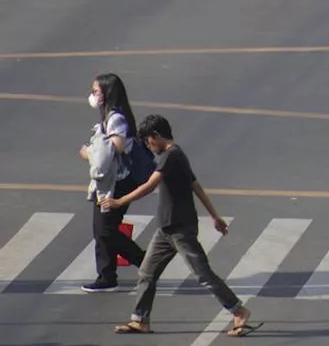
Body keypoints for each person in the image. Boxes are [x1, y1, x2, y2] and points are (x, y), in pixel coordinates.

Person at [101, 114, 259, 337]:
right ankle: (140, 320)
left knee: (202, 274)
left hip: (180, 229)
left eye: (148, 140)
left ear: (156, 136)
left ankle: (239, 310)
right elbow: (195, 185)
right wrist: (215, 216)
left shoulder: (171, 156)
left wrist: (119, 201)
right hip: (165, 230)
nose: (148, 145)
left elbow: (149, 185)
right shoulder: (177, 155)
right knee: (147, 272)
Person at [76, 73, 145, 293]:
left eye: (96, 91)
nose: (93, 95)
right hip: (111, 182)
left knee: (105, 230)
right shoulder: (109, 117)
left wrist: (90, 153)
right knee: (103, 229)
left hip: (119, 182)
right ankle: (107, 276)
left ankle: (147, 263)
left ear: (107, 93)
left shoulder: (116, 118)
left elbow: (115, 147)